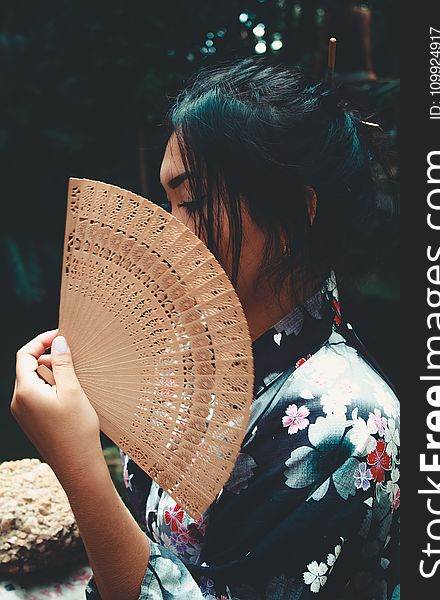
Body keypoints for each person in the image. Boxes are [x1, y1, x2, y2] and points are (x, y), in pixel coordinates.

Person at [11, 57, 399, 599]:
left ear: (294, 213)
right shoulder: (194, 363)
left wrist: (79, 467)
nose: (168, 233)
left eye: (191, 202)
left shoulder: (347, 423)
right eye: (168, 205)